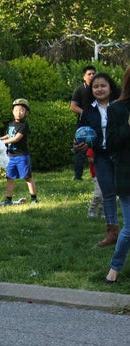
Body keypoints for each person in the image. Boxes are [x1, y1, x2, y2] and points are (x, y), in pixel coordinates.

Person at [74, 72, 120, 246]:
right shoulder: (88, 111)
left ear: (110, 87)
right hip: (101, 156)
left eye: (103, 85)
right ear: (91, 90)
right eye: (95, 86)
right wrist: (77, 144)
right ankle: (112, 232)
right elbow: (80, 132)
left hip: (122, 155)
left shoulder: (120, 106)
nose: (99, 89)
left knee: (125, 192)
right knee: (108, 194)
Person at [104, 66, 130, 283]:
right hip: (127, 175)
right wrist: (128, 127)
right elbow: (111, 144)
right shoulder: (118, 109)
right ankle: (114, 268)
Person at [0, 98, 39, 205]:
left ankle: (34, 198)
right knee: (10, 178)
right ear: (12, 112)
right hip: (10, 156)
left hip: (21, 156)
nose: (19, 113)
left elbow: (16, 138)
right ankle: (8, 199)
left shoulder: (24, 126)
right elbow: (9, 135)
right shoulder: (11, 124)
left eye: (22, 110)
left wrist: (3, 142)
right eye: (16, 110)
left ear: (26, 113)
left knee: (27, 177)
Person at [70, 66, 97, 180]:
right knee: (79, 150)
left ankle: (97, 174)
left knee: (98, 150)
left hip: (97, 124)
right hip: (83, 125)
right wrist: (85, 113)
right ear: (84, 76)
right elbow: (73, 107)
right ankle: (78, 176)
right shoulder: (79, 89)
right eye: (89, 74)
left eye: (93, 73)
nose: (92, 76)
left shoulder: (98, 89)